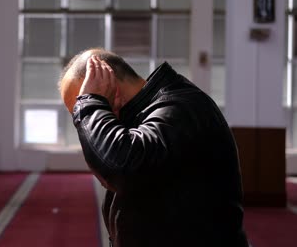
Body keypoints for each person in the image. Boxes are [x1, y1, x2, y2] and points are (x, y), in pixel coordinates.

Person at [58, 48, 249, 247]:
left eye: (88, 102)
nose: (84, 127)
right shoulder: (141, 119)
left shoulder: (181, 109)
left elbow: (122, 167)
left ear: (111, 90)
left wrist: (90, 106)